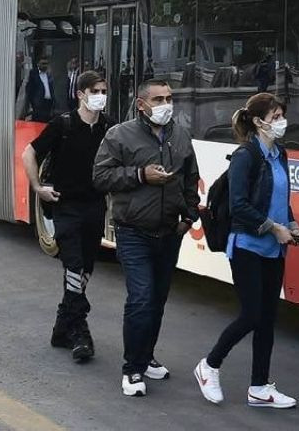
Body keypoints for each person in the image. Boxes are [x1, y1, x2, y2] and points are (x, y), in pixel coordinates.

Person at [195, 93, 299, 409]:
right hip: (247, 245)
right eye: (275, 117)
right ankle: (209, 366)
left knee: (267, 319)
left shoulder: (280, 154)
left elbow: (280, 198)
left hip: (274, 250)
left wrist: (291, 224)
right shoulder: (246, 156)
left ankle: (260, 387)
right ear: (259, 122)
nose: (282, 122)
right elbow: (239, 206)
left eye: (282, 115)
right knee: (251, 314)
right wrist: (275, 228)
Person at [93, 79, 201, 398]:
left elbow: (190, 178)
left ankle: (147, 355)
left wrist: (190, 216)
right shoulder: (119, 135)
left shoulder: (179, 136)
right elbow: (100, 177)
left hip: (169, 232)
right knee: (140, 299)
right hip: (133, 231)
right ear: (142, 104)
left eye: (169, 98)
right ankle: (132, 369)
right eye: (158, 99)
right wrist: (141, 175)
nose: (166, 104)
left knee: (157, 300)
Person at [20, 71, 113, 363]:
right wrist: (38, 188)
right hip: (66, 207)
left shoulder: (110, 128)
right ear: (81, 94)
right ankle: (79, 330)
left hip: (95, 207)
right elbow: (29, 153)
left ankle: (63, 326)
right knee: (73, 265)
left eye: (103, 90)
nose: (101, 96)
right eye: (95, 91)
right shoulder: (63, 125)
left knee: (85, 268)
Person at [26, 57, 55, 121]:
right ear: (38, 64)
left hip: (48, 104)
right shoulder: (33, 74)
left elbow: (51, 88)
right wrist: (33, 103)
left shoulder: (49, 74)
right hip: (38, 105)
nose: (45, 65)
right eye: (43, 63)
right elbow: (29, 90)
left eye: (46, 63)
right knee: (38, 124)